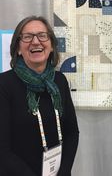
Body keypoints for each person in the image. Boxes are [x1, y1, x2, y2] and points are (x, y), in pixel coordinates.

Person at [0, 15, 79, 176]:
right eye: (27, 37)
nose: (36, 42)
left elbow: (72, 133)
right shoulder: (4, 84)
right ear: (18, 48)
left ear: (51, 46)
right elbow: (3, 150)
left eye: (42, 36)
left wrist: (63, 171)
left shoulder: (59, 80)